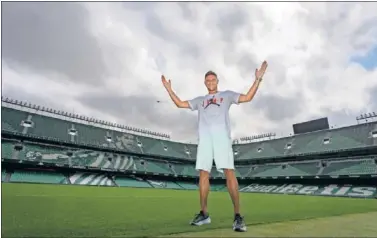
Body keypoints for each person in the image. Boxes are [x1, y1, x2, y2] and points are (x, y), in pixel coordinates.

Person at [161, 61, 268, 232]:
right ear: (205, 83)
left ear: (217, 81)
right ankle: (204, 213)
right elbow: (180, 103)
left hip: (221, 139)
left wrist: (258, 80)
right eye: (207, 80)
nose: (210, 82)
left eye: (213, 79)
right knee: (203, 174)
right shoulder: (200, 100)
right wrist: (168, 89)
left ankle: (238, 216)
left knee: (229, 173)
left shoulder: (226, 95)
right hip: (204, 140)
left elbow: (247, 97)